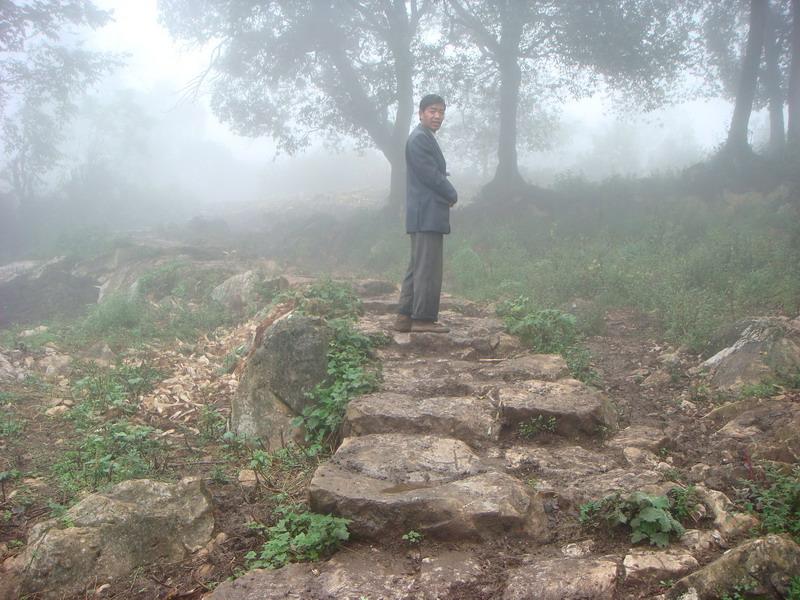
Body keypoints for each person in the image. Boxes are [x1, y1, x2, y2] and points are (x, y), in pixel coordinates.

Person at [394, 94, 457, 334]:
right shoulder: (420, 139)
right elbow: (430, 174)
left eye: (441, 111)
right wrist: (452, 193)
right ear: (421, 113)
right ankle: (423, 320)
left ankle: (404, 317)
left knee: (418, 266)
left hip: (423, 212)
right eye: (432, 111)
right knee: (428, 268)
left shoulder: (423, 137)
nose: (437, 116)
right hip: (426, 212)